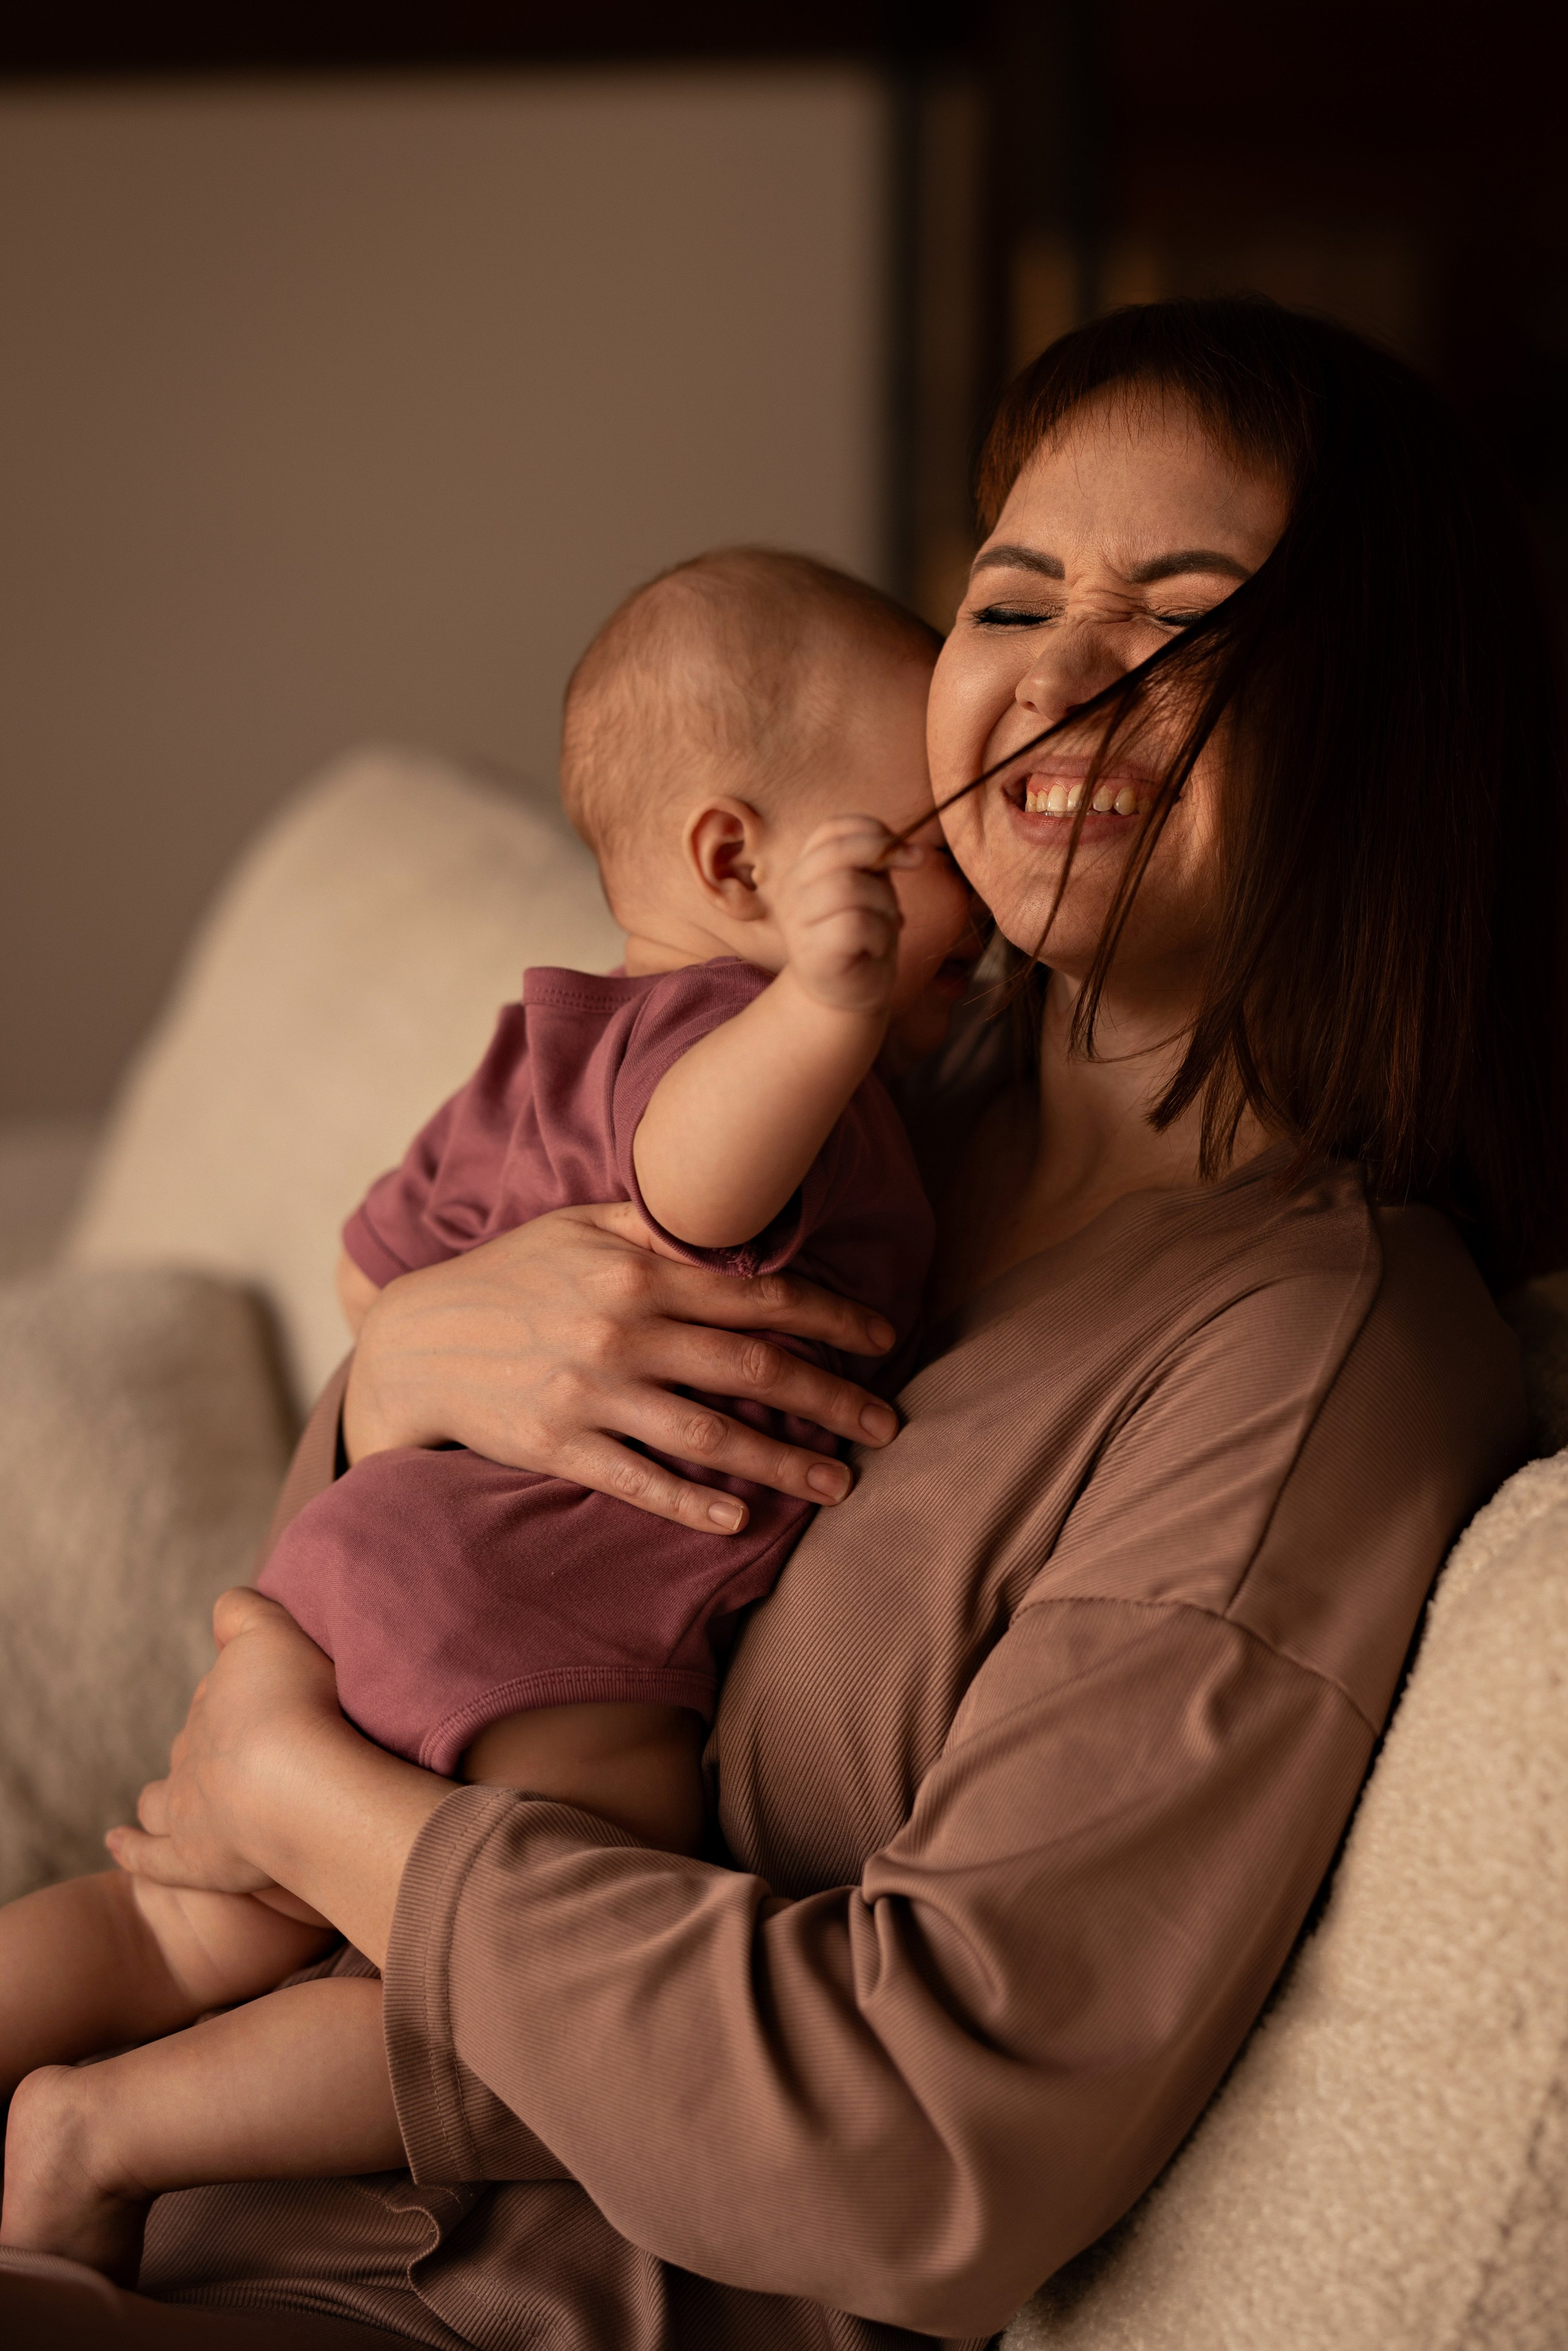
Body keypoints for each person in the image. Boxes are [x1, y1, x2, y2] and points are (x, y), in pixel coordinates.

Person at [0, 297, 1558, 2351]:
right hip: (190, 2174)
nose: (1057, 681)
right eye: (1013, 599)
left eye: (1183, 621)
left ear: (1390, 734)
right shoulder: (838, 1079)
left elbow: (918, 2145)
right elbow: (418, 1560)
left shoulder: (1312, 1357)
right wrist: (409, 1369)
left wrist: (315, 1808)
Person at [0, 551, 975, 2280]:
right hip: (533, 1609)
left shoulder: (538, 1052)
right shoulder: (738, 1044)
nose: (963, 885)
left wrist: (420, 1353)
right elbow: (691, 1187)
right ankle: (97, 2134)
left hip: (372, 1556)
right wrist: (830, 1006)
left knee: (170, 1928)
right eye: (920, 845)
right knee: (508, 1982)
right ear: (736, 864)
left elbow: (375, 1275)